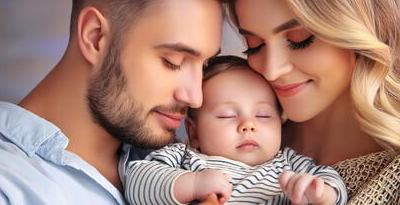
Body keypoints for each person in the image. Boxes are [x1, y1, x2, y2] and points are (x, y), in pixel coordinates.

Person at [0, 0, 238, 204]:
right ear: (95, 37)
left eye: (204, 66)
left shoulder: (186, 160)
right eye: (173, 61)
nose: (195, 98)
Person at [227, 0, 400, 204]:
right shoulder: (230, 141)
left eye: (300, 39)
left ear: (361, 25)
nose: (271, 69)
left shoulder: (393, 174)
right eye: (254, 44)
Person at [125, 55, 347, 205]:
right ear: (194, 133)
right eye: (227, 116)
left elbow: (333, 180)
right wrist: (193, 184)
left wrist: (323, 194)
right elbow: (136, 180)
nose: (248, 125)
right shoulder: (184, 159)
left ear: (280, 122)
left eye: (263, 116)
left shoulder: (288, 165)